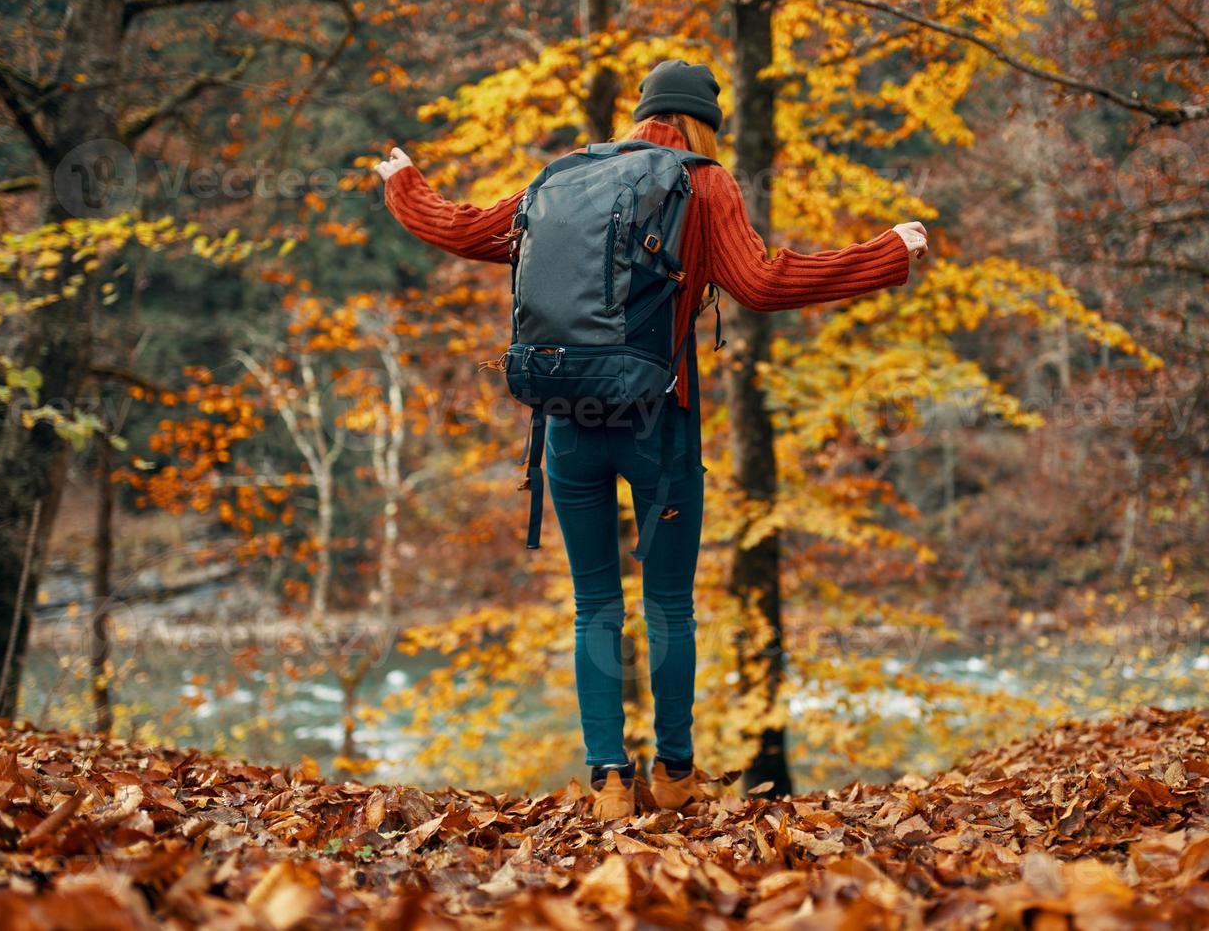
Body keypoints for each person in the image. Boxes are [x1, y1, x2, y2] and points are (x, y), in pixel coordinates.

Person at [373, 59, 927, 820]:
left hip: (567, 420)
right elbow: (762, 284)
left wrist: (405, 183)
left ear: (639, 114)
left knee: (592, 604)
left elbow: (466, 230)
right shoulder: (704, 183)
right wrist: (887, 253)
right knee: (668, 603)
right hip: (657, 424)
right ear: (706, 124)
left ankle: (606, 782)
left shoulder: (564, 180)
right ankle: (672, 775)